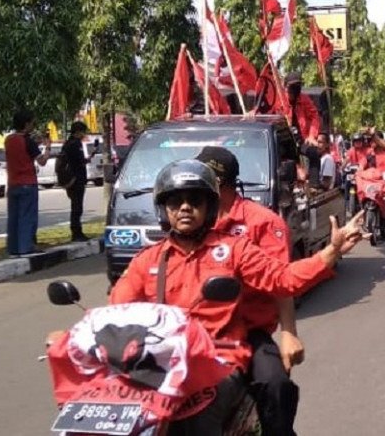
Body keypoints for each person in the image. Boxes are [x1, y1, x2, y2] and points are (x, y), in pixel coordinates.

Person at [109, 159, 365, 436]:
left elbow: (283, 279)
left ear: (208, 207)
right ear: (164, 209)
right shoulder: (147, 260)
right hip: (160, 361)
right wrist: (70, 338)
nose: (185, 207)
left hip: (217, 359)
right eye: (175, 202)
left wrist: (332, 251)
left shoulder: (233, 250)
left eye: (194, 200)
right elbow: (113, 312)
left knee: (199, 409)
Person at [196, 147, 302, 436]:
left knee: (275, 385)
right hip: (193, 331)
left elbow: (280, 281)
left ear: (218, 183)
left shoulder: (262, 222)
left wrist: (289, 332)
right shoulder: (191, 221)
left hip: (247, 330)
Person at [4, 110, 51, 256]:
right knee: (27, 216)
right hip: (27, 182)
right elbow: (42, 161)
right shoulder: (28, 141)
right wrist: (47, 147)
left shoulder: (9, 140)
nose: (33, 126)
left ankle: (13, 248)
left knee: (13, 217)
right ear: (26, 124)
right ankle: (26, 247)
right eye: (32, 123)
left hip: (13, 183)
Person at [62, 121, 90, 242]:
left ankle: (77, 231)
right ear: (78, 132)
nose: (84, 135)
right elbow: (77, 162)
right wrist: (84, 161)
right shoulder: (74, 144)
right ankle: (76, 232)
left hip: (72, 179)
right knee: (77, 207)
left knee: (76, 206)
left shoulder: (67, 143)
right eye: (83, 132)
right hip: (76, 179)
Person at [284, 73, 320, 145]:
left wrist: (312, 136)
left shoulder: (304, 99)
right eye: (292, 87)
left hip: (303, 140)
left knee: (315, 153)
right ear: (285, 87)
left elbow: (315, 117)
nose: (294, 90)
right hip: (284, 141)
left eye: (297, 86)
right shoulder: (279, 100)